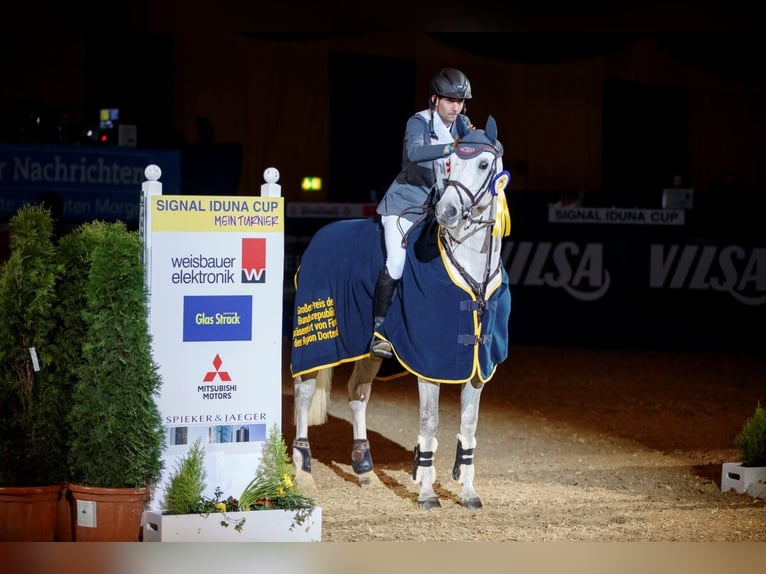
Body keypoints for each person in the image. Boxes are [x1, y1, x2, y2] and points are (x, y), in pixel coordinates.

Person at [370, 68, 475, 358]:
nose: (457, 107)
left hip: (439, 207)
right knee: (396, 260)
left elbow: (474, 147)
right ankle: (379, 331)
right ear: (434, 99)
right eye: (451, 100)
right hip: (405, 203)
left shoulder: (462, 123)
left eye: (461, 101)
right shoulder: (418, 121)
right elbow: (414, 153)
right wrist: (451, 147)